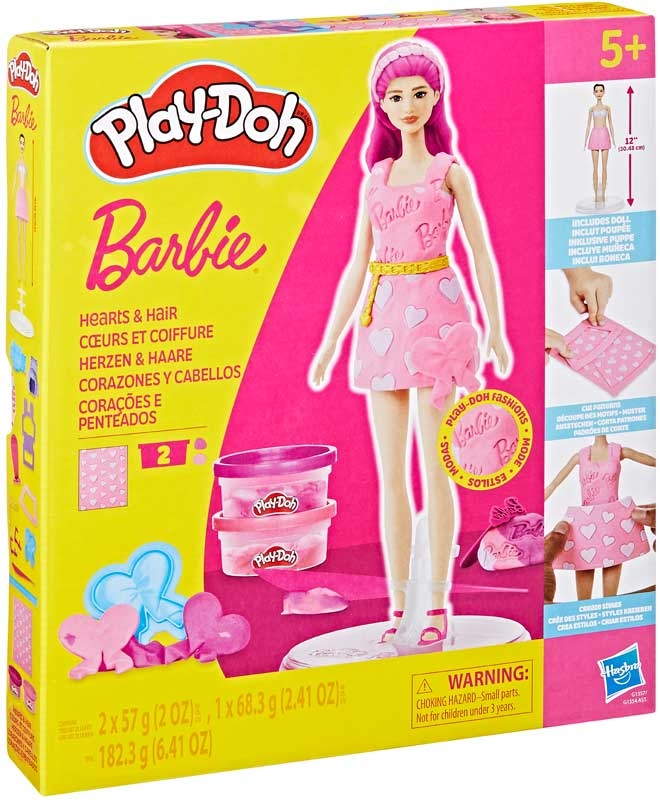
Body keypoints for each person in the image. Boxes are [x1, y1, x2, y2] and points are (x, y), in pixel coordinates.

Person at [311, 40, 510, 645]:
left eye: (419, 93)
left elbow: (480, 252)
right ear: (382, 105)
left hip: (438, 321)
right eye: (396, 97)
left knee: (437, 468)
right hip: (381, 322)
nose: (408, 105)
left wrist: (497, 329)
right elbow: (357, 263)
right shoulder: (375, 178)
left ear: (436, 95)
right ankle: (399, 605)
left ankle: (437, 605)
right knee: (391, 475)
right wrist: (329, 341)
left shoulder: (449, 172)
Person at [544, 436, 655, 599]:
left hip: (613, 519)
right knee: (584, 567)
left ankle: (609, 608)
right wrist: (536, 502)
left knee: (612, 567)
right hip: (586, 519)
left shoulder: (618, 451)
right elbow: (554, 484)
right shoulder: (580, 456)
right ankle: (583, 608)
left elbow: (652, 461)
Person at [584, 83, 616, 206]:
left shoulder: (607, 108)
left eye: (600, 91)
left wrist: (613, 139)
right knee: (595, 167)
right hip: (594, 136)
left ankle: (603, 194)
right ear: (594, 93)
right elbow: (588, 125)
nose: (598, 93)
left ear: (604, 92)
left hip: (605, 136)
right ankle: (596, 195)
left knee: (604, 167)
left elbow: (611, 123)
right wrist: (585, 140)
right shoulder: (591, 109)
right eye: (596, 91)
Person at [12, 134, 29, 283]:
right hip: (19, 195)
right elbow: (14, 181)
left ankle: (23, 270)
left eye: (23, 143)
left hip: (24, 197)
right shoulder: (18, 163)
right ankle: (19, 270)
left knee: (24, 234)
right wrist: (12, 195)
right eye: (20, 142)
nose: (22, 145)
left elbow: (28, 183)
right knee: (19, 233)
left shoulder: (26, 165)